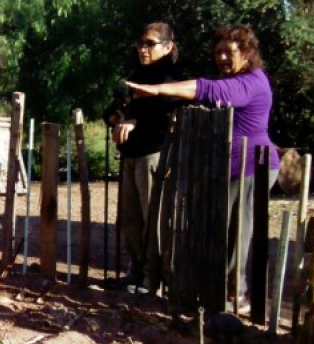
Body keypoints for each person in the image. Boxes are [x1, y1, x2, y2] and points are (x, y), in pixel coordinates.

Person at [126, 24, 279, 309]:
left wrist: (158, 89)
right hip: (228, 169)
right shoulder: (238, 79)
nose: (221, 58)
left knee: (237, 232)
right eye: (218, 52)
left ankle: (236, 295)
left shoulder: (250, 82)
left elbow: (206, 89)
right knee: (219, 231)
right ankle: (219, 290)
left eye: (228, 52)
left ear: (247, 53)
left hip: (250, 167)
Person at [104, 21, 182, 294]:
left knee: (154, 217)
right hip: (130, 153)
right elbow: (118, 107)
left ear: (168, 46)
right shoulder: (139, 74)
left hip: (154, 154)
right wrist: (116, 116)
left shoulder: (171, 78)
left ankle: (156, 278)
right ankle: (136, 272)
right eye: (141, 44)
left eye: (150, 44)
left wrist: (136, 121)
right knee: (130, 219)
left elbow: (167, 115)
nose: (143, 49)